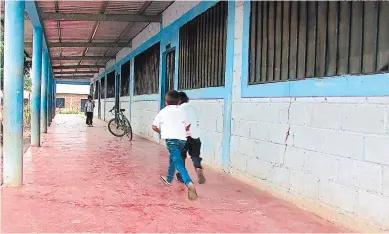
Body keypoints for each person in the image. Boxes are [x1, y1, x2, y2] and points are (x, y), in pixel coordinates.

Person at [152, 90, 198, 200]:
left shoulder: (162, 112)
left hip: (171, 141)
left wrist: (161, 132)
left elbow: (154, 126)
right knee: (174, 158)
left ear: (166, 102)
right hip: (182, 141)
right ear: (178, 102)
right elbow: (187, 126)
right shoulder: (182, 112)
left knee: (178, 162)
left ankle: (189, 182)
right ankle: (168, 179)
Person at [176, 92, 205, 184]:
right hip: (195, 137)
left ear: (178, 101)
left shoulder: (178, 110)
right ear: (187, 99)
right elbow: (196, 121)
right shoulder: (193, 108)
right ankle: (198, 167)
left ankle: (181, 177)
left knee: (181, 157)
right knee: (195, 156)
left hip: (183, 138)